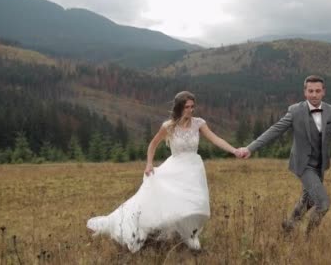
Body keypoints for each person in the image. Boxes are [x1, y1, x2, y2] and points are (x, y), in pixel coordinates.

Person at [87, 91, 243, 252]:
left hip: (194, 169)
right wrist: (149, 164)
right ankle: (171, 234)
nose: (190, 110)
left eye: (192, 106)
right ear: (179, 108)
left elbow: (216, 139)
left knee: (198, 204)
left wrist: (234, 151)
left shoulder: (199, 123)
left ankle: (190, 234)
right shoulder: (169, 126)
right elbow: (152, 145)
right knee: (172, 205)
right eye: (187, 107)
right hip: (175, 168)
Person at [238, 75, 331, 235]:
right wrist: (250, 148)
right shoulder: (295, 111)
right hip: (303, 163)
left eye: (317, 91)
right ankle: (309, 238)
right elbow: (275, 130)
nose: (314, 94)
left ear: (323, 92)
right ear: (305, 92)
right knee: (323, 203)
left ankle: (289, 225)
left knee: (309, 198)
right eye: (311, 91)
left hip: (320, 164)